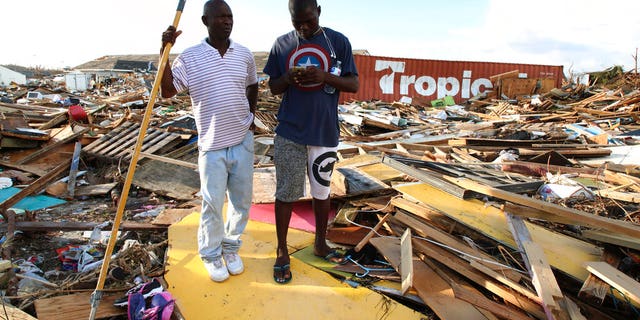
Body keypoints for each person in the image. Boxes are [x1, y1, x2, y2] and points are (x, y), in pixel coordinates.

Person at [160, 0, 258, 282]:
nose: (227, 21)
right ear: (206, 21)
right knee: (213, 205)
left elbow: (252, 85)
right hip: (212, 146)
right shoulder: (190, 57)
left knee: (241, 203)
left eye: (230, 16)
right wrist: (164, 52)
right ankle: (211, 254)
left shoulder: (244, 54)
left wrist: (250, 118)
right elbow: (168, 91)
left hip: (242, 141)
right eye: (220, 17)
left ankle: (230, 247)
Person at [263, 0, 359, 284]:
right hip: (289, 132)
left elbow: (353, 84)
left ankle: (320, 243)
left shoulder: (338, 42)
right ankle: (282, 250)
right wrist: (288, 78)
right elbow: (273, 87)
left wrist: (325, 76)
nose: (303, 28)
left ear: (319, 11)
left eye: (308, 21)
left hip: (324, 132)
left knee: (321, 192)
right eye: (297, 23)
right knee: (286, 192)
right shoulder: (282, 45)